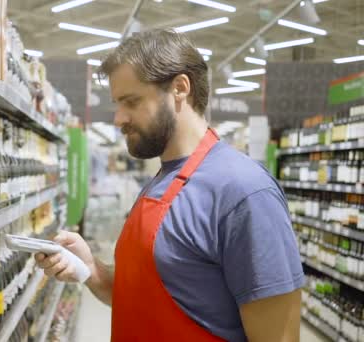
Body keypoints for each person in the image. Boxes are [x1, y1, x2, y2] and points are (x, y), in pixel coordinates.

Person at [35, 29, 304, 342]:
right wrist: (90, 267)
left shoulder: (244, 193)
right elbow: (139, 298)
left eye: (130, 101)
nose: (119, 118)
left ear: (179, 88)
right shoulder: (159, 182)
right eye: (116, 103)